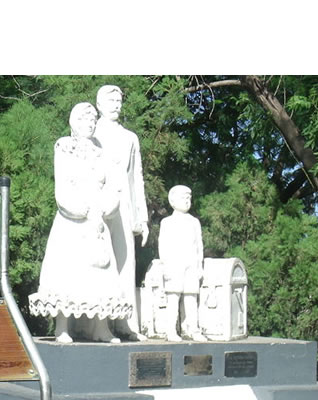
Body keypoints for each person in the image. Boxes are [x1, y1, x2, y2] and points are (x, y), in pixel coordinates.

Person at [29, 102, 131, 344]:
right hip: (72, 221)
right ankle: (62, 326)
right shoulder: (64, 147)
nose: (91, 124)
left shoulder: (101, 150)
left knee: (102, 273)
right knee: (68, 272)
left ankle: (101, 327)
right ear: (75, 122)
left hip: (97, 221)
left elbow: (111, 186)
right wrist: (79, 209)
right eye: (86, 119)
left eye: (93, 120)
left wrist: (107, 206)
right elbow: (62, 186)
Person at [94, 85, 148, 341]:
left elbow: (136, 178)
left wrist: (143, 217)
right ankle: (98, 322)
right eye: (110, 100)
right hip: (99, 203)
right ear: (99, 104)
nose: (116, 104)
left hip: (124, 204)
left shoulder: (130, 137)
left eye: (119, 100)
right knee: (101, 261)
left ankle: (126, 322)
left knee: (126, 263)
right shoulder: (90, 132)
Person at [158, 185, 207, 342]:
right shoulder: (167, 222)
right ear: (172, 201)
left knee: (191, 297)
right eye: (183, 198)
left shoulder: (194, 222)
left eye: (189, 198)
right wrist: (165, 266)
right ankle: (170, 330)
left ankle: (193, 329)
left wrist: (199, 266)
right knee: (173, 297)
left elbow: (199, 246)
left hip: (191, 264)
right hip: (174, 265)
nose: (187, 201)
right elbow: (163, 246)